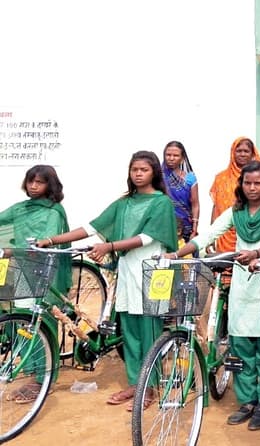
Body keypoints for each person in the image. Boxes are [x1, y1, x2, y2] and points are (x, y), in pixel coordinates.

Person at [38, 151, 178, 409]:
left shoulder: (161, 203)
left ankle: (150, 387)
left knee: (150, 332)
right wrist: (51, 240)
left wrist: (110, 246)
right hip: (127, 272)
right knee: (130, 333)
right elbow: (91, 228)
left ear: (154, 173)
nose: (138, 174)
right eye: (134, 169)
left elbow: (146, 238)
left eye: (144, 169)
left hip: (153, 272)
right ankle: (136, 383)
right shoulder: (124, 203)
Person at [166, 161, 260, 430]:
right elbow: (209, 233)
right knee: (241, 345)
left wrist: (256, 253)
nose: (252, 188)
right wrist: (177, 253)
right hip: (243, 283)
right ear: (241, 185)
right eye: (247, 183)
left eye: (258, 183)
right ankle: (248, 401)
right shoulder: (236, 211)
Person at [0, 165, 72, 403]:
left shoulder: (54, 212)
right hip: (22, 268)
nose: (33, 186)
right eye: (30, 181)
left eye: (39, 182)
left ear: (50, 185)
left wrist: (12, 251)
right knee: (23, 318)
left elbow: (44, 245)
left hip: (44, 270)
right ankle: (32, 369)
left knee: (41, 320)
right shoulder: (20, 208)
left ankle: (44, 378)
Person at [210, 136, 260, 252]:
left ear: (252, 154)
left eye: (246, 151)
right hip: (224, 233)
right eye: (239, 151)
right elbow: (216, 207)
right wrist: (211, 237)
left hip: (250, 232)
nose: (242, 154)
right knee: (223, 261)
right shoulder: (221, 178)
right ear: (233, 153)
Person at [162, 141, 200, 242]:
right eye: (168, 155)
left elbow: (195, 204)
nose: (171, 158)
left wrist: (195, 228)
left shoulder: (190, 178)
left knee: (185, 250)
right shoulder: (158, 176)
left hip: (185, 226)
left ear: (182, 158)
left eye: (175, 155)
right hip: (162, 224)